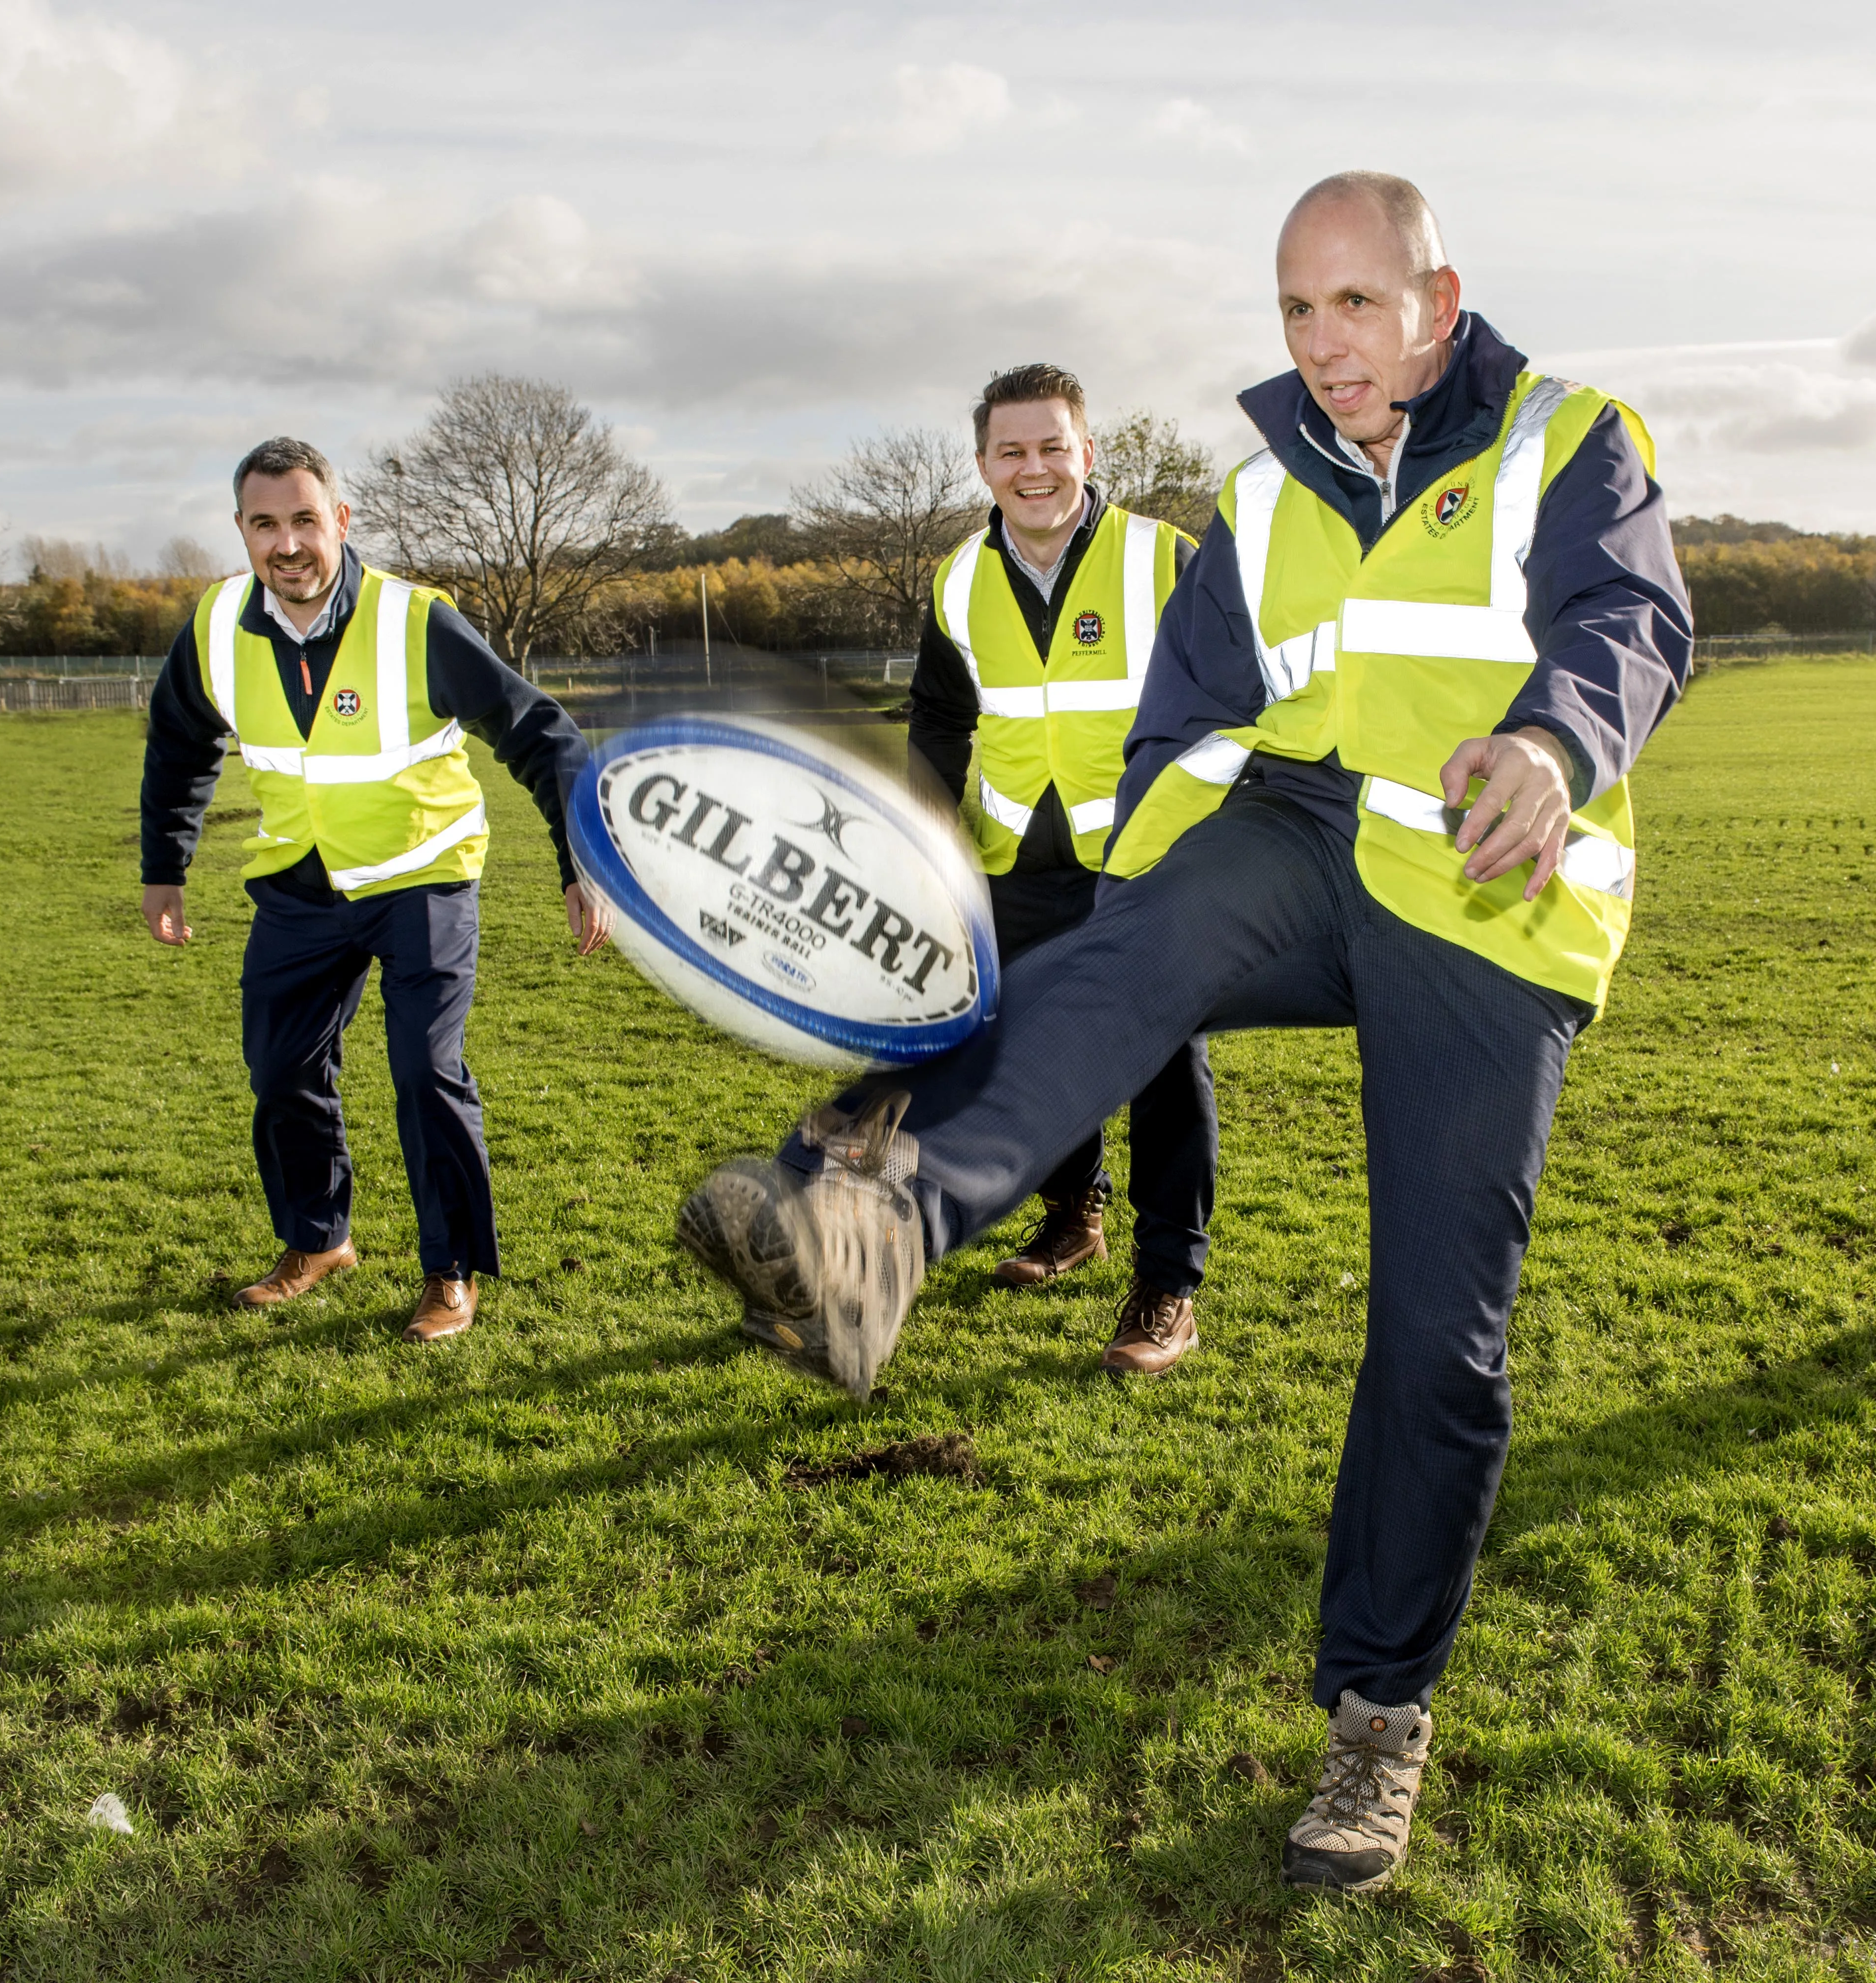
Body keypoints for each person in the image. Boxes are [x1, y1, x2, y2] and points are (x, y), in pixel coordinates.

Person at [675, 172, 1691, 1890]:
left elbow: (1631, 617)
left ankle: (1378, 1710)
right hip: (1297, 834)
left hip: (1482, 879)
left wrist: (1551, 741)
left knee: (1440, 1338)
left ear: (1437, 299)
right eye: (1294, 311)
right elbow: (1189, 710)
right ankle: (874, 1233)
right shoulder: (1261, 487)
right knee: (1104, 965)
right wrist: (1145, 898)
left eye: (1354, 306)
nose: (1322, 345)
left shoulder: (1564, 436)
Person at [139, 436, 609, 1343]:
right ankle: (319, 1241)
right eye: (265, 524)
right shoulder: (214, 626)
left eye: (305, 521)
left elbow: (543, 736)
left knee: (426, 1073)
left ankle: (451, 1271)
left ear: (341, 522)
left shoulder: (414, 622)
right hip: (298, 883)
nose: (288, 545)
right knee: (280, 1071)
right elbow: (179, 741)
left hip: (421, 878)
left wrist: (579, 866)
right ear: (241, 532)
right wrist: (166, 866)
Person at [905, 362, 1214, 1374]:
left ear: (1087, 453)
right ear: (984, 464)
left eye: (1051, 447)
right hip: (1013, 867)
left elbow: (1240, 697)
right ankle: (1073, 1215)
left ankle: (1166, 1285)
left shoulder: (1168, 561)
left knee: (1162, 1069)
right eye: (1010, 451)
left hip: (1146, 861)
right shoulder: (956, 579)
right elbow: (944, 721)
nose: (1032, 468)